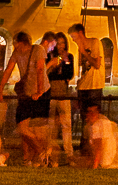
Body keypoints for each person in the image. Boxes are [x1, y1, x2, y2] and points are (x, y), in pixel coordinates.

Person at [0, 31, 52, 165]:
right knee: (22, 127)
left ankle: (34, 157)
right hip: (26, 92)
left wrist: (39, 91)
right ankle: (42, 152)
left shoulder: (38, 50)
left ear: (21, 42)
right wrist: (0, 89)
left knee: (37, 128)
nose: (14, 45)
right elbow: (8, 70)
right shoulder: (17, 53)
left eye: (15, 42)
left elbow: (40, 70)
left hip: (41, 92)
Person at [70, 23, 105, 152]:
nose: (73, 39)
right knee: (84, 118)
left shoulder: (94, 43)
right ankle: (84, 149)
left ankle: (94, 150)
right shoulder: (80, 48)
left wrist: (84, 52)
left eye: (73, 36)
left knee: (94, 118)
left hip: (94, 85)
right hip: (83, 86)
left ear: (80, 33)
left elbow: (96, 64)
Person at [46, 31, 75, 161]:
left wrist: (66, 61)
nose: (61, 45)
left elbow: (69, 74)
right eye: (58, 43)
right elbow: (49, 74)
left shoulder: (69, 57)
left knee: (66, 125)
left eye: (63, 42)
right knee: (51, 125)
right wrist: (57, 62)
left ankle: (69, 152)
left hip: (63, 93)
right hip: (52, 93)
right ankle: (48, 151)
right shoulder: (49, 56)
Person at [83, 103, 118, 169]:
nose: (92, 114)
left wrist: (95, 166)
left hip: (106, 161)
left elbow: (98, 148)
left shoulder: (96, 126)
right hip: (115, 160)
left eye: (94, 112)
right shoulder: (100, 121)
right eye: (90, 112)